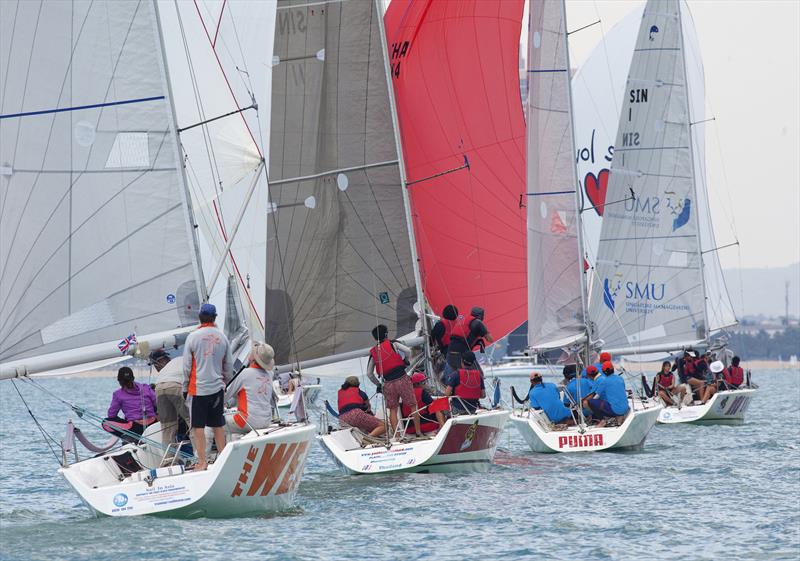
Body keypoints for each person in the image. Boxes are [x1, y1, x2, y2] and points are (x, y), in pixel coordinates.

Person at [182, 303, 233, 470]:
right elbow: (228, 365)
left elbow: (187, 366)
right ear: (215, 317)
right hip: (217, 388)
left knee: (198, 427)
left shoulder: (193, 337)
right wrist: (225, 383)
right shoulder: (223, 337)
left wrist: (184, 387)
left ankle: (202, 462)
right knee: (218, 425)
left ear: (199, 317)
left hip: (198, 389)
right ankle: (224, 459)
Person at [366, 324, 422, 435]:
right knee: (412, 405)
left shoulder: (373, 353)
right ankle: (418, 432)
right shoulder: (393, 344)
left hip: (388, 383)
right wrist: (405, 360)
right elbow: (408, 351)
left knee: (393, 409)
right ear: (386, 334)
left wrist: (378, 385)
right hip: (402, 378)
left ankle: (397, 436)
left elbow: (369, 374)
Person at [225, 343, 275, 434]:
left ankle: (205, 448)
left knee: (211, 424)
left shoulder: (244, 374)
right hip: (266, 421)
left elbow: (224, 396)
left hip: (247, 422)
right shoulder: (270, 374)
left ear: (253, 358)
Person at [105, 366, 158, 441]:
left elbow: (111, 415)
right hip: (153, 424)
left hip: (134, 427)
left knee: (105, 423)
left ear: (119, 381)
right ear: (133, 378)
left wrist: (126, 420)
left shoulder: (118, 394)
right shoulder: (146, 388)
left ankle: (128, 435)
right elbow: (158, 404)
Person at [150, 349, 190, 448]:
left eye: (156, 365)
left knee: (167, 428)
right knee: (193, 422)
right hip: (175, 384)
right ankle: (200, 456)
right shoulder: (182, 360)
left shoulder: (168, 368)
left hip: (159, 387)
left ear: (163, 360)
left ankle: (168, 460)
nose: (156, 368)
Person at [583, 361, 629, 427]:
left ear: (603, 371)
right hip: (625, 408)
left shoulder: (604, 381)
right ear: (613, 369)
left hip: (615, 410)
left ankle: (602, 421)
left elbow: (596, 397)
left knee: (591, 402)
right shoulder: (620, 378)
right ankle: (619, 418)